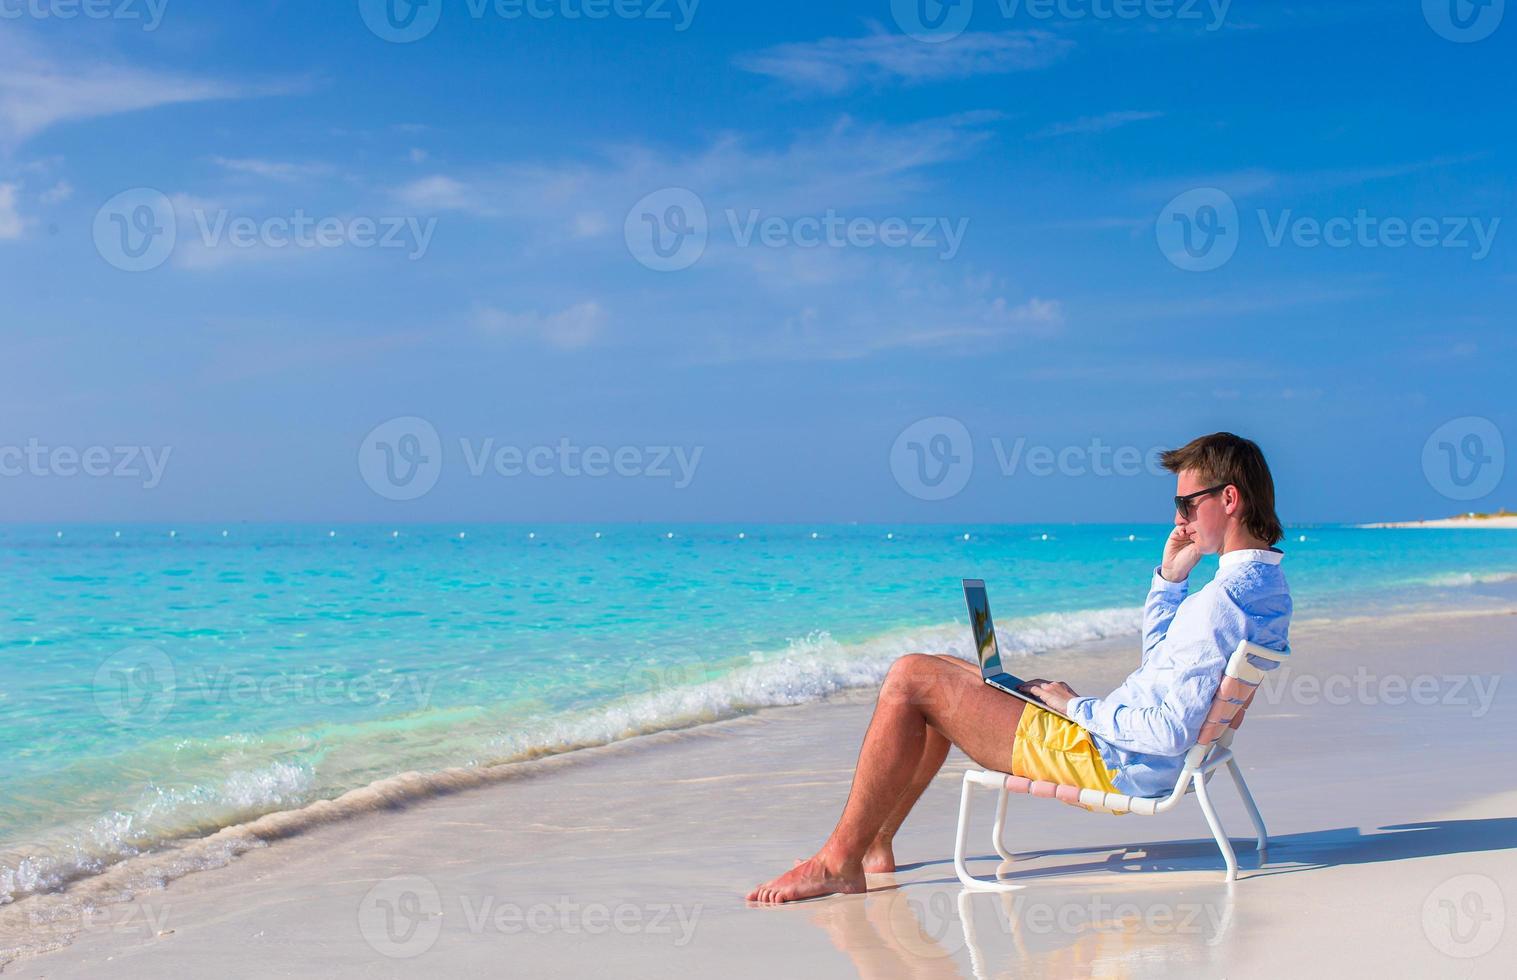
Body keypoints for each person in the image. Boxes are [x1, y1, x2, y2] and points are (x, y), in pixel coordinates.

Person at [746, 432, 1292, 904]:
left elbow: (1170, 732)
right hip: (1129, 747)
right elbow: (1162, 669)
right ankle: (876, 843)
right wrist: (1171, 582)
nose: (1178, 519)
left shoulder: (1218, 604)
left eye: (1187, 504)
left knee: (911, 676)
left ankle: (839, 860)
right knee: (948, 672)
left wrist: (1073, 706)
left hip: (1109, 758)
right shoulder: (1263, 588)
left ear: (1228, 499)